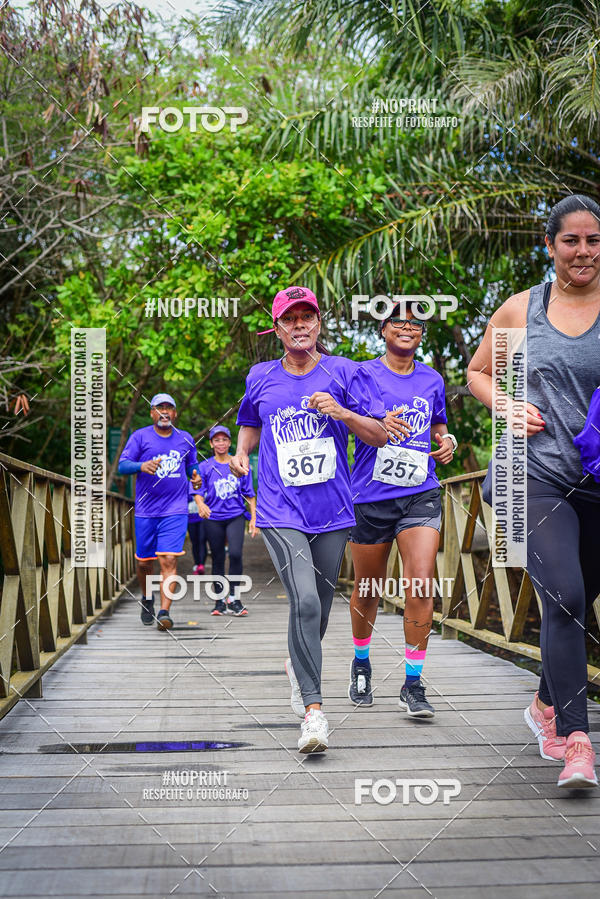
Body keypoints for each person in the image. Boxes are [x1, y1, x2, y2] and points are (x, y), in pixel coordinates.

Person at [230, 285, 406, 753]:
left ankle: (298, 662)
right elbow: (251, 422)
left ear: (319, 323)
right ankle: (313, 711)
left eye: (308, 317)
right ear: (278, 328)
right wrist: (243, 454)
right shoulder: (260, 375)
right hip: (278, 507)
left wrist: (343, 412)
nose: (300, 325)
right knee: (305, 600)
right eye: (290, 319)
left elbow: (381, 435)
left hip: (332, 511)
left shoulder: (345, 371)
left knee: (320, 609)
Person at [468, 194, 600, 789]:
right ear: (550, 247)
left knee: (578, 600)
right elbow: (478, 373)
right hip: (534, 477)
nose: (583, 251)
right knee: (567, 596)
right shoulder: (522, 311)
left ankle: (547, 700)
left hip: (595, 482)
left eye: (593, 240)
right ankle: (576, 740)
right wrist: (507, 405)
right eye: (570, 240)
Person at [348, 302, 455, 717]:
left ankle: (413, 684)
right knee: (369, 589)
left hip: (420, 491)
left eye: (415, 322)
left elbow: (438, 425)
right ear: (383, 330)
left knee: (422, 582)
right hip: (372, 495)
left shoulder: (432, 379)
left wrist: (448, 442)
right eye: (398, 322)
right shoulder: (362, 374)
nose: (407, 327)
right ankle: (361, 662)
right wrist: (375, 422)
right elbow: (345, 420)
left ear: (422, 334)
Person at [118, 393, 201, 630]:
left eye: (169, 408)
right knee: (145, 562)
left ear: (175, 413)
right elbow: (123, 466)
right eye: (159, 408)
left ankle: (164, 612)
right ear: (152, 412)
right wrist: (141, 465)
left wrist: (196, 479)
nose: (165, 412)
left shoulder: (185, 439)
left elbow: (193, 467)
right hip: (146, 509)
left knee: (168, 558)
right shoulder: (140, 437)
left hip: (175, 509)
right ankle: (147, 598)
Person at [193, 425, 257, 616]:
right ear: (212, 443)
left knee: (236, 554)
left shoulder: (239, 464)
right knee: (218, 557)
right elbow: (197, 490)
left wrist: (254, 517)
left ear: (230, 442)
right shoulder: (204, 467)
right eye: (217, 440)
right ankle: (220, 600)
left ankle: (235, 599)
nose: (221, 443)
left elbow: (249, 493)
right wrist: (200, 504)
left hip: (236, 515)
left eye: (224, 439)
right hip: (213, 518)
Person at [187, 481, 208, 574]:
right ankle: (197, 563)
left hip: (203, 517)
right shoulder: (187, 484)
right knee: (194, 542)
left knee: (202, 540)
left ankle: (201, 565)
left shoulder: (205, 483)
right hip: (191, 518)